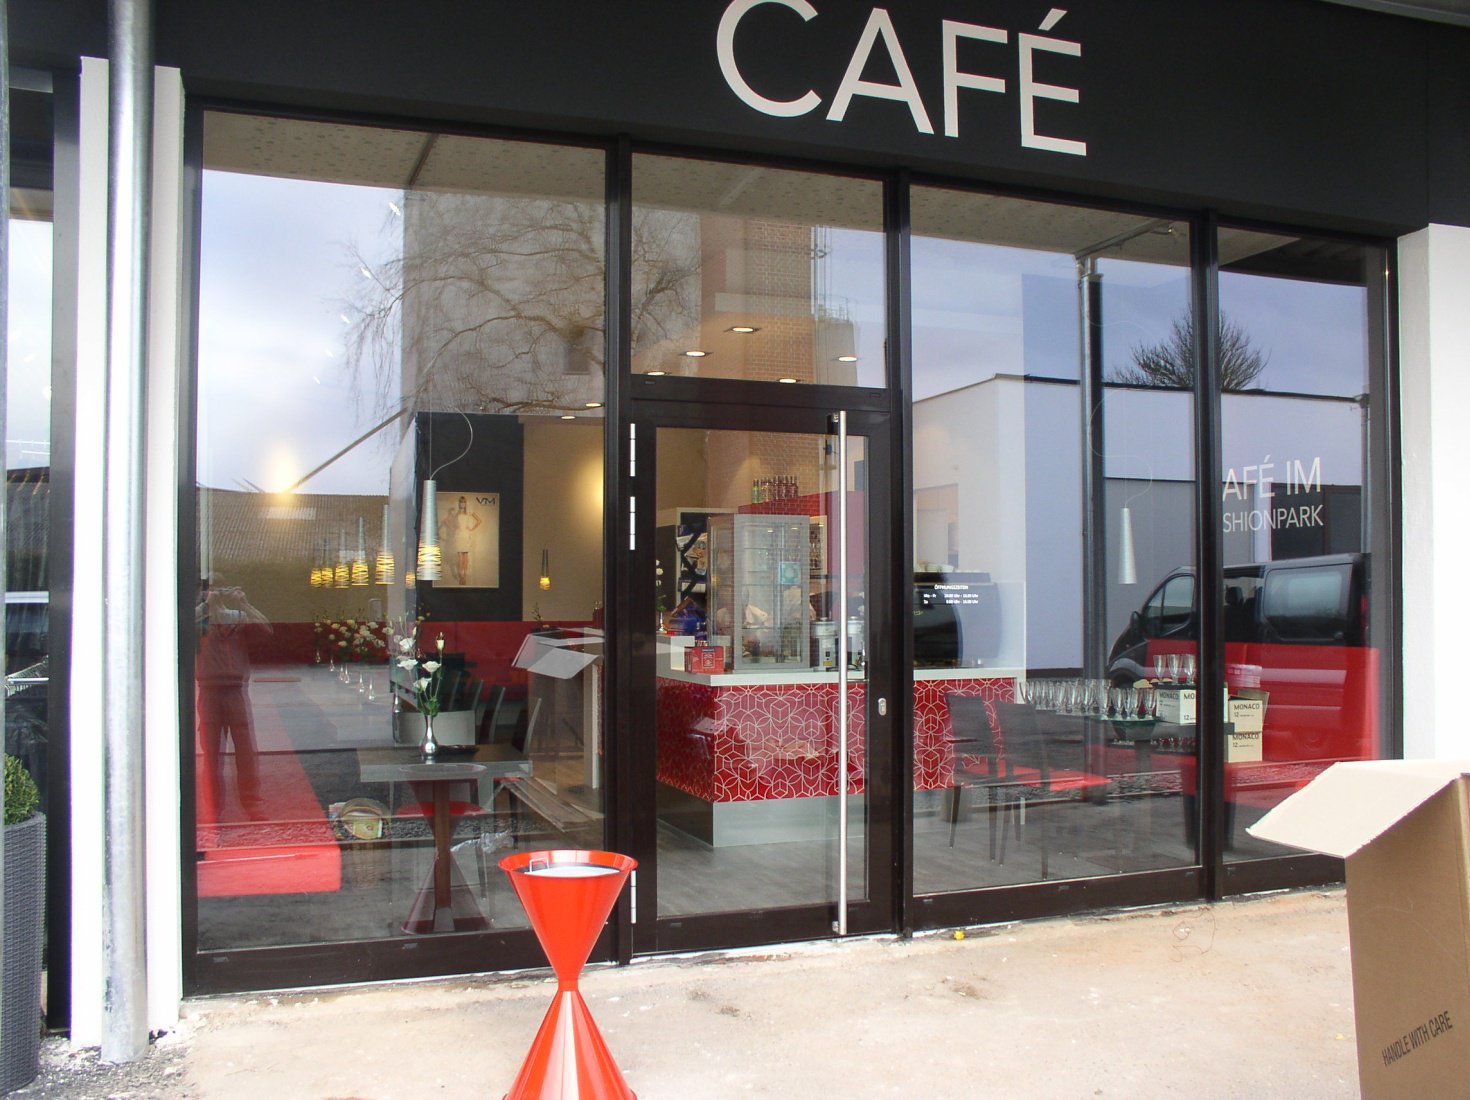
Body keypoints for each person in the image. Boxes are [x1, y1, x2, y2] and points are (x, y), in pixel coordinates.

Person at [196, 577, 270, 820]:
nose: (217, 594)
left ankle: (252, 802)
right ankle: (214, 806)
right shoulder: (201, 618)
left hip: (235, 690)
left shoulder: (237, 617)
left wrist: (245, 604)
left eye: (221, 589)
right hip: (209, 691)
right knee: (211, 753)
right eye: (212, 589)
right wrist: (206, 606)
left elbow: (266, 630)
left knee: (245, 750)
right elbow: (181, 630)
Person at [442, 495, 483, 585]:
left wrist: (471, 529)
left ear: (466, 503)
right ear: (459, 503)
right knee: (460, 556)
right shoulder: (455, 514)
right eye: (461, 502)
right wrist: (454, 528)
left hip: (466, 535)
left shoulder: (469, 512)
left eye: (464, 502)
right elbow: (446, 521)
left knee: (466, 556)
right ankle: (461, 576)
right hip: (459, 536)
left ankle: (464, 576)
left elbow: (479, 521)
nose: (462, 504)